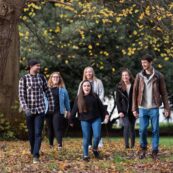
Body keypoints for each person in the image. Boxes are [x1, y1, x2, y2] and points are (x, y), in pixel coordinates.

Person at [132, 54, 170, 159]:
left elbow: (164, 93)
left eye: (145, 62)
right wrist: (134, 108)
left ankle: (154, 151)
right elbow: (135, 93)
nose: (143, 64)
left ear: (150, 62)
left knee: (155, 130)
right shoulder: (139, 76)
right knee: (142, 130)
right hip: (142, 108)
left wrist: (167, 108)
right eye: (142, 63)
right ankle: (143, 149)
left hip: (154, 107)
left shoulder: (158, 75)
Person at [19, 59, 54, 163]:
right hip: (29, 111)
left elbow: (48, 91)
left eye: (39, 66)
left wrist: (51, 106)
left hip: (40, 110)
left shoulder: (42, 78)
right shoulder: (23, 79)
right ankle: (33, 149)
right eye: (37, 66)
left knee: (38, 133)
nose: (39, 67)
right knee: (31, 133)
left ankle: (35, 155)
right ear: (31, 66)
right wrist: (25, 108)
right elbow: (21, 96)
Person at [70, 80, 109, 161]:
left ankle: (95, 149)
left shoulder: (95, 96)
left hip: (96, 118)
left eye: (88, 86)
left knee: (97, 136)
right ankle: (85, 155)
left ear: (90, 87)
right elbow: (74, 109)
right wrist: (71, 120)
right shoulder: (79, 98)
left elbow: (101, 107)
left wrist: (106, 114)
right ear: (82, 88)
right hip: (84, 120)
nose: (86, 87)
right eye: (85, 86)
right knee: (86, 138)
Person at [78, 66, 105, 148]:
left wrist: (98, 104)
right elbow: (79, 95)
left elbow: (101, 93)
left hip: (96, 107)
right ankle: (88, 143)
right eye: (86, 72)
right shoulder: (82, 83)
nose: (88, 73)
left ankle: (99, 142)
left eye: (90, 72)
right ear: (84, 73)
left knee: (97, 125)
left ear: (93, 72)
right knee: (87, 127)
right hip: (85, 108)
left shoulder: (98, 82)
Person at [46, 72, 71, 150]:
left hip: (58, 111)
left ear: (59, 79)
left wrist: (68, 111)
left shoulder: (63, 90)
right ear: (51, 78)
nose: (55, 78)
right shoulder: (47, 89)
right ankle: (51, 145)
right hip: (48, 112)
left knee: (57, 128)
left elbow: (67, 101)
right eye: (54, 77)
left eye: (57, 77)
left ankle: (60, 145)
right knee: (50, 129)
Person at [116, 69, 136, 149]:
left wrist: (136, 110)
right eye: (123, 75)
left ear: (129, 76)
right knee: (126, 125)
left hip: (133, 110)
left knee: (132, 127)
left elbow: (137, 98)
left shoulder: (134, 85)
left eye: (126, 75)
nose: (125, 77)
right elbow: (117, 100)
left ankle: (132, 145)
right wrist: (120, 111)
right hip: (124, 111)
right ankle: (126, 146)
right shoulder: (119, 86)